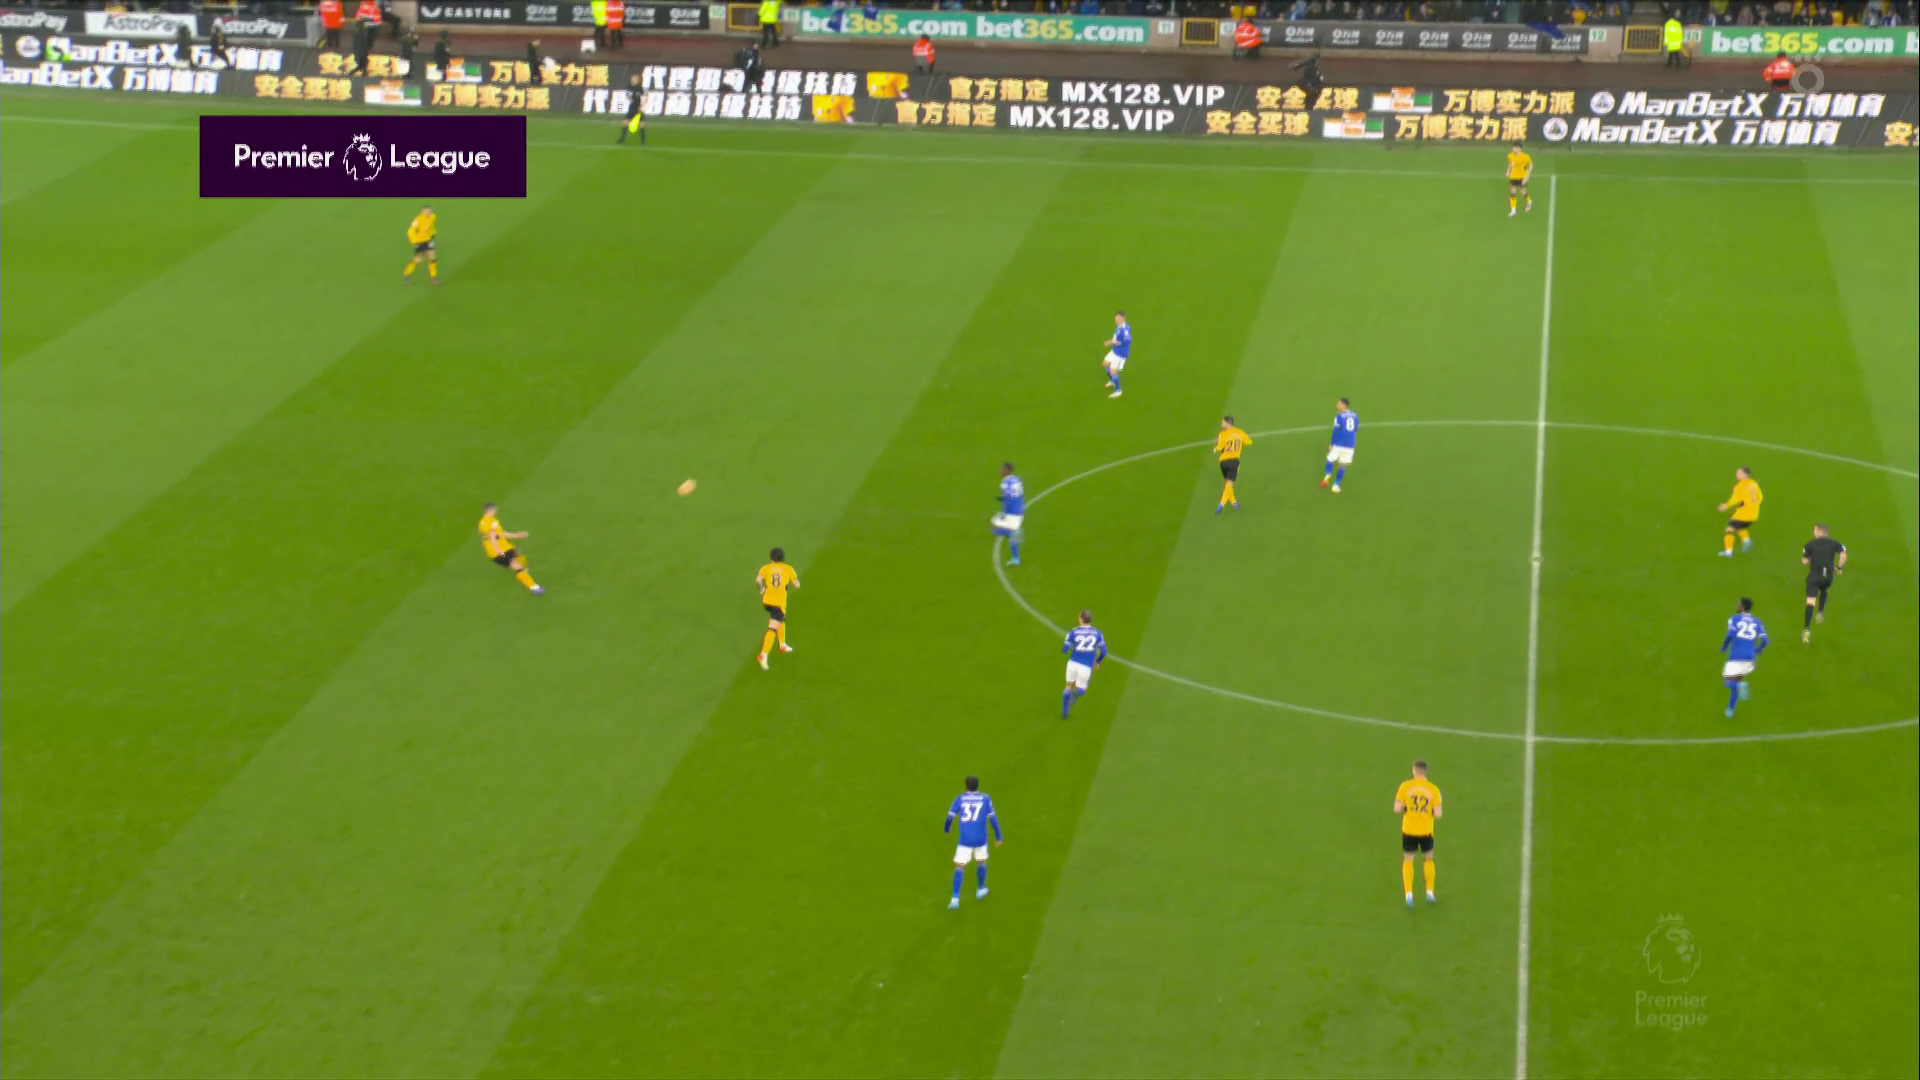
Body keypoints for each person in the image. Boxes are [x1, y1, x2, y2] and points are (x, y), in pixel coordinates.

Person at [944, 776, 1002, 909]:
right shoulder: (985, 798)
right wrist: (998, 836)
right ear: (978, 785)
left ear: (966, 786)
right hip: (981, 839)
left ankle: (955, 899)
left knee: (960, 866)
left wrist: (947, 829)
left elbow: (950, 817)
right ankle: (981, 889)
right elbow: (993, 819)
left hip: (965, 839)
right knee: (981, 862)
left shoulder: (960, 798)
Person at [1393, 761, 1442, 907]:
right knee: (1429, 859)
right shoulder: (1433, 789)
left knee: (1408, 860)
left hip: (1409, 830)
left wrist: (1408, 808)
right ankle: (1430, 892)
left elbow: (1397, 808)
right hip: (1426, 830)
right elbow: (1438, 814)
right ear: (1426, 772)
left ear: (1414, 771)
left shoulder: (1405, 786)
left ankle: (1409, 894)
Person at [479, 503, 544, 594]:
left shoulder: (482, 523)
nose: (496, 512)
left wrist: (519, 535)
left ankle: (525, 573)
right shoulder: (493, 522)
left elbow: (501, 534)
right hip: (502, 550)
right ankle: (534, 587)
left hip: (494, 552)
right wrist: (498, 549)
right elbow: (493, 536)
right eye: (495, 510)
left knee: (518, 555)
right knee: (518, 566)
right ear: (490, 510)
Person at [755, 547, 800, 670]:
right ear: (783, 558)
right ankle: (763, 655)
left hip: (767, 601)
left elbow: (758, 580)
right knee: (773, 628)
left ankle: (782, 645)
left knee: (781, 618)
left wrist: (761, 589)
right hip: (777, 603)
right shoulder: (788, 569)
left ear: (771, 558)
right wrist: (789, 584)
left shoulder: (766, 568)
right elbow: (797, 585)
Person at [1800, 524, 1847, 642]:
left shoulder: (1809, 544)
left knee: (1810, 602)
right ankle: (1820, 612)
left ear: (1818, 531)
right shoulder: (1835, 543)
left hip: (1814, 576)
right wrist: (1839, 567)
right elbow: (1843, 554)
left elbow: (1805, 561)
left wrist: (1809, 560)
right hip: (1828, 576)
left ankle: (1806, 629)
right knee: (1824, 589)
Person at [1721, 598, 1767, 717]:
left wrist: (1724, 647)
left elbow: (1730, 635)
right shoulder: (1758, 622)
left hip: (1736, 656)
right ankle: (1730, 710)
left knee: (1729, 682)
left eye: (1738, 603)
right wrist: (1757, 650)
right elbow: (1765, 641)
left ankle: (1739, 688)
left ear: (1742, 606)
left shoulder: (1734, 619)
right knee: (1738, 681)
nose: (1736, 605)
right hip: (1750, 657)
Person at [1061, 610, 1106, 718]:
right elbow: (1104, 652)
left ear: (1081, 619)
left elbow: (1065, 649)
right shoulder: (1098, 633)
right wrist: (1098, 661)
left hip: (1073, 664)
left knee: (1069, 685)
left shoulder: (1073, 632)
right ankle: (1074, 698)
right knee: (1082, 690)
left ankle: (1065, 709)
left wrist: (1069, 646)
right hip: (1085, 667)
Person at [1716, 466, 1762, 556]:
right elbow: (1760, 498)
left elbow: (1735, 499)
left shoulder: (1740, 486)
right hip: (1754, 514)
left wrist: (1726, 506)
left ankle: (1729, 552)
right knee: (1741, 527)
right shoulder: (1754, 484)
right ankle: (1747, 541)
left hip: (1744, 513)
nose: (1737, 474)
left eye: (1739, 473)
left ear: (1745, 475)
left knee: (1730, 529)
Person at [1213, 415, 1252, 514]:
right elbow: (1249, 442)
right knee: (1230, 484)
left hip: (1223, 462)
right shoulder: (1240, 432)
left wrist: (1216, 449)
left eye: (1223, 423)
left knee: (1228, 483)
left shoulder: (1222, 434)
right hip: (1234, 461)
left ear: (1228, 423)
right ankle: (1222, 504)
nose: (1222, 424)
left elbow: (1220, 447)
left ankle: (1234, 503)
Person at [1321, 398, 1358, 493]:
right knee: (1343, 465)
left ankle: (1328, 475)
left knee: (1330, 460)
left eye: (1339, 404)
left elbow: (1336, 431)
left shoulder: (1339, 416)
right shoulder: (1355, 415)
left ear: (1344, 405)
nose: (1337, 406)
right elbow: (1355, 429)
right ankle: (1336, 485)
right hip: (1350, 445)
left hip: (1339, 444)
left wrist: (1332, 444)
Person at [993, 462, 1025, 566]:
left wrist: (1004, 514)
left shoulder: (1005, 482)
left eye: (1002, 469)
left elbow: (1009, 500)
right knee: (1012, 531)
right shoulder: (1017, 479)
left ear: (1007, 470)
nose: (1001, 471)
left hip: (1012, 513)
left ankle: (1017, 533)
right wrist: (1003, 498)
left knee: (994, 526)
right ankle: (1016, 557)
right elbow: (1017, 494)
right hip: (1020, 510)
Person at [403, 205, 440, 284]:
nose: (427, 212)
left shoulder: (433, 217)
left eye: (429, 211)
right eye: (426, 211)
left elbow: (431, 227)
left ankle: (434, 277)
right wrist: (415, 242)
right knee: (419, 260)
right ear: (423, 211)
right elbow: (410, 231)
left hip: (428, 240)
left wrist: (433, 233)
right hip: (419, 241)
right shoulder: (418, 219)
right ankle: (407, 273)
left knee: (432, 257)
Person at [1101, 310, 1131, 399]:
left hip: (1120, 354)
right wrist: (1111, 342)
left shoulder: (1124, 331)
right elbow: (1116, 339)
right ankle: (1112, 381)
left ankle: (1118, 391)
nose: (1116, 320)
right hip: (1115, 351)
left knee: (1113, 371)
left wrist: (1113, 342)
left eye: (1118, 318)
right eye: (1116, 318)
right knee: (1105, 364)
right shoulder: (1121, 327)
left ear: (1123, 318)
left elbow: (1128, 341)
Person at [1506, 140, 1533, 217]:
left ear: (1519, 148)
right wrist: (1508, 171)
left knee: (1523, 192)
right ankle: (1513, 210)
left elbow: (1530, 165)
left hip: (1522, 177)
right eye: (1513, 147)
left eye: (1515, 147)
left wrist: (1527, 176)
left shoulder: (1525, 156)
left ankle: (1529, 202)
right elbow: (1511, 164)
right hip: (1514, 176)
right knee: (1513, 192)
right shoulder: (1510, 155)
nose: (1513, 149)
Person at [618, 73, 646, 144]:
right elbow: (628, 96)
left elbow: (644, 98)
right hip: (632, 107)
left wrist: (642, 106)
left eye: (635, 79)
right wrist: (630, 99)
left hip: (638, 107)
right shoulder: (629, 87)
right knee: (625, 122)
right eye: (633, 78)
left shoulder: (640, 88)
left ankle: (643, 141)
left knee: (641, 124)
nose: (633, 80)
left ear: (638, 80)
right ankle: (622, 139)